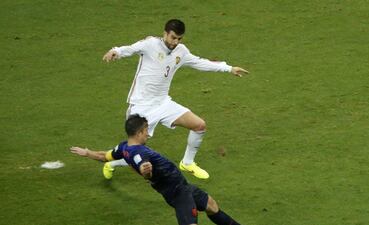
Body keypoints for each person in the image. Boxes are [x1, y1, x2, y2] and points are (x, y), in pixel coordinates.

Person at [101, 19, 249, 180]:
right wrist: (116, 51)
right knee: (136, 150)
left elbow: (200, 63)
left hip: (163, 103)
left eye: (179, 39)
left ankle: (187, 162)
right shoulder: (150, 44)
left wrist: (228, 68)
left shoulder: (181, 51)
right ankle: (111, 163)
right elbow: (131, 49)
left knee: (199, 125)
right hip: (141, 106)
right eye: (173, 37)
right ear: (165, 33)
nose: (175, 42)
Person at [70, 114, 241, 225]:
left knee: (210, 205)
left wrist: (87, 153)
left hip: (181, 186)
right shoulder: (139, 153)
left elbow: (104, 156)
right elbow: (145, 170)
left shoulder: (123, 147)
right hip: (178, 192)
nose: (148, 134)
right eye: (146, 131)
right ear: (138, 133)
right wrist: (146, 171)